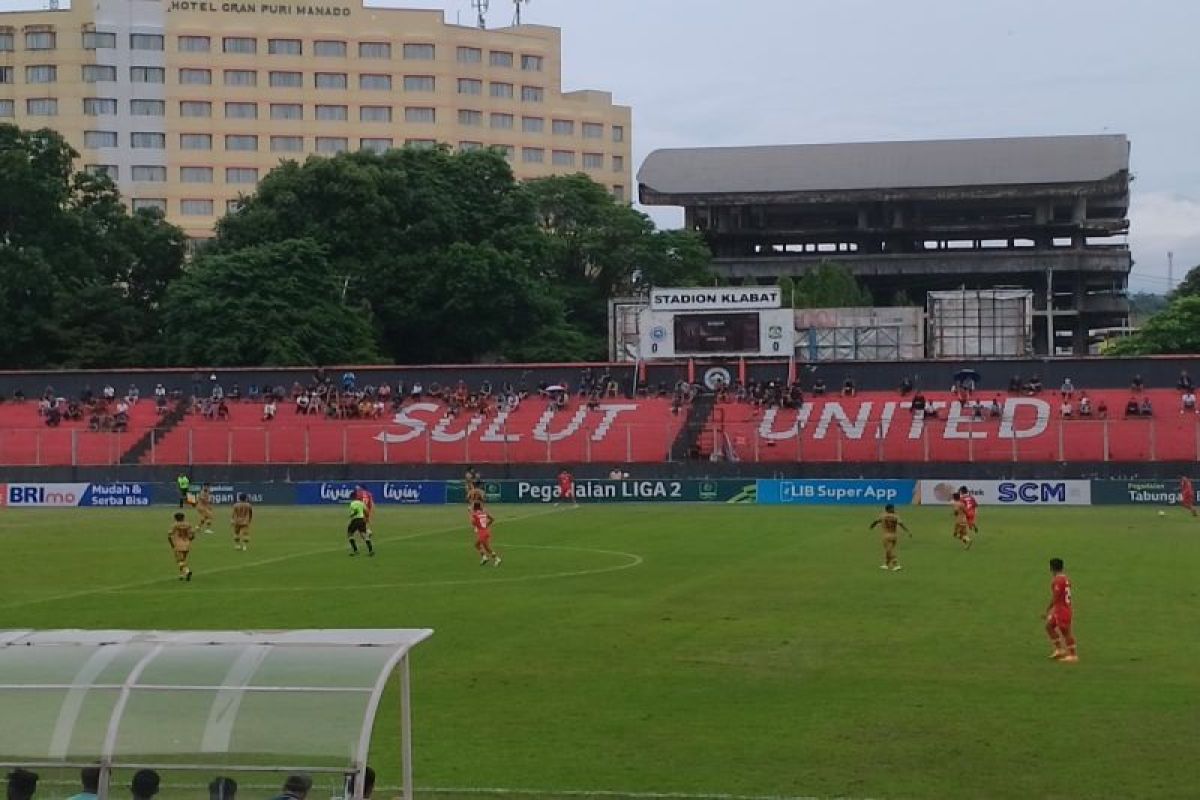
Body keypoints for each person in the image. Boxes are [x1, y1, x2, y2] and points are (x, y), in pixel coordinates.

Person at [1045, 558, 1077, 662]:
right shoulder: (1065, 578)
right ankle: (1059, 650)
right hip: (1060, 609)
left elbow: (1056, 597)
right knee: (1049, 626)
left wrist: (1047, 609)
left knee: (1066, 632)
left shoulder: (1058, 580)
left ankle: (1073, 655)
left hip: (1062, 610)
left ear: (1051, 568)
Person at [868, 503, 909, 571]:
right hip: (894, 535)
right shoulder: (896, 516)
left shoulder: (882, 516)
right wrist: (907, 531)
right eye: (893, 508)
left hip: (886, 535)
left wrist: (872, 526)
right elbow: (901, 524)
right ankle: (886, 565)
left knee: (889, 550)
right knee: (889, 550)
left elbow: (876, 521)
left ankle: (896, 564)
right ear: (890, 509)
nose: (894, 509)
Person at [471, 501, 501, 567]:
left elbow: (473, 523)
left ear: (475, 507)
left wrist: (471, 515)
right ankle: (484, 557)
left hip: (482, 533)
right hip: (486, 531)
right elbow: (492, 519)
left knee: (487, 548)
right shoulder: (484, 512)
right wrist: (486, 525)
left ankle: (497, 559)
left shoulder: (474, 514)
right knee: (477, 545)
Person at [168, 512, 195, 581]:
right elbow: (192, 535)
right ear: (183, 518)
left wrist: (172, 545)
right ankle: (182, 575)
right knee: (183, 560)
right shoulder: (188, 524)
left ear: (175, 518)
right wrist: (189, 540)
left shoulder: (174, 525)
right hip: (187, 544)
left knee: (179, 561)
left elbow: (169, 535)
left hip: (178, 544)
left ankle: (187, 571)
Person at [347, 492, 374, 557]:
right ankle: (371, 550)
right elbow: (366, 511)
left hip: (355, 520)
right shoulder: (361, 503)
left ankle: (355, 550)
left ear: (352, 497)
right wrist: (367, 518)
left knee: (350, 534)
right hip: (362, 520)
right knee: (363, 535)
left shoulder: (352, 504)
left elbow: (353, 513)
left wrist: (352, 514)